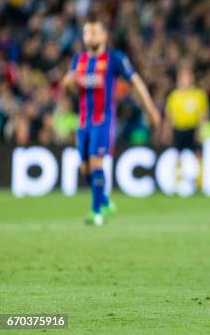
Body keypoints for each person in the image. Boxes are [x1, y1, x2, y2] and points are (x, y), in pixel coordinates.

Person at [62, 18, 161, 226]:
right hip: (83, 122)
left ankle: (96, 212)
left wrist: (150, 109)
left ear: (104, 36)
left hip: (103, 120)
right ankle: (105, 201)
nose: (90, 36)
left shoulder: (115, 59)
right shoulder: (78, 61)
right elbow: (68, 89)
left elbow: (135, 82)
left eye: (95, 32)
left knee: (97, 162)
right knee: (84, 168)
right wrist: (67, 84)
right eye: (87, 32)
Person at [165, 66, 209, 187]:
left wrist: (200, 130)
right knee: (177, 155)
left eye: (186, 77)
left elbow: (203, 114)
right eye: (182, 77)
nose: (184, 80)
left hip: (193, 129)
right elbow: (170, 115)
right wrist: (167, 131)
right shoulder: (174, 95)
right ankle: (177, 181)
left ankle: (200, 183)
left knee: (198, 155)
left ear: (191, 78)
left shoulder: (198, 94)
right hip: (178, 129)